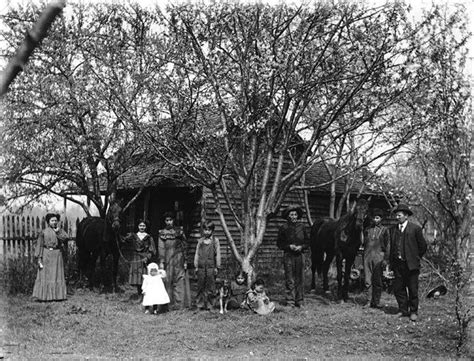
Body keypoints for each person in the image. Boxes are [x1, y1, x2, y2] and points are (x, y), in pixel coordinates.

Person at [388, 203, 427, 322]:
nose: (397, 217)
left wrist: (414, 257)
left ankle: (413, 311)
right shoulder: (393, 230)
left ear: (406, 216)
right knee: (398, 288)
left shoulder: (415, 229)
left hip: (411, 265)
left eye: (399, 215)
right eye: (396, 215)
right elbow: (392, 246)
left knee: (412, 289)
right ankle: (403, 310)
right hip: (397, 264)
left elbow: (423, 246)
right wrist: (391, 262)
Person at [277, 205, 309, 308]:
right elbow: (279, 244)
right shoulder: (283, 227)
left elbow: (308, 242)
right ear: (287, 216)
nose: (293, 216)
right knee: (289, 279)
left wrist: (301, 247)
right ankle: (290, 301)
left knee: (300, 278)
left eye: (295, 214)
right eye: (291, 214)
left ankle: (299, 301)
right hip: (288, 255)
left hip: (299, 255)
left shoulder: (302, 227)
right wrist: (288, 246)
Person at [32, 213, 68, 301]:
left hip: (57, 255)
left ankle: (58, 296)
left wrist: (58, 232)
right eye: (52, 221)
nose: (54, 222)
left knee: (56, 275)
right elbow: (39, 245)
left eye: (56, 221)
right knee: (46, 275)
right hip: (46, 254)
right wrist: (39, 258)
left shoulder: (60, 231)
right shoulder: (43, 232)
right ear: (48, 222)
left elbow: (66, 238)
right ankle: (44, 297)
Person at [158, 212, 188, 310]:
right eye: (167, 220)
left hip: (179, 257)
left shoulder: (179, 231)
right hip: (167, 258)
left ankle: (179, 305)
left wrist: (185, 260)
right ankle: (168, 304)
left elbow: (185, 246)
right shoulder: (162, 233)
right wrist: (162, 261)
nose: (169, 222)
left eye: (170, 220)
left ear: (173, 220)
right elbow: (161, 248)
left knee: (179, 279)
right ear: (164, 221)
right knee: (167, 280)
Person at [363, 208, 390, 308]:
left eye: (377, 218)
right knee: (367, 280)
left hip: (379, 257)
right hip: (367, 257)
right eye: (374, 218)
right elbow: (364, 243)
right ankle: (368, 301)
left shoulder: (385, 230)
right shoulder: (367, 230)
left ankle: (376, 302)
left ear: (381, 219)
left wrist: (386, 259)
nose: (375, 220)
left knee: (377, 280)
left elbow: (388, 246)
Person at [194, 221, 221, 310]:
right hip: (201, 267)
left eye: (209, 230)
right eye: (205, 230)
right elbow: (197, 253)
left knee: (211, 286)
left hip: (211, 267)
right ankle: (199, 304)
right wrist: (196, 266)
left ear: (212, 231)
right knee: (200, 286)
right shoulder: (200, 241)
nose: (207, 232)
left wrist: (217, 266)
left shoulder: (215, 241)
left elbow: (218, 254)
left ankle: (211, 305)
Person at [126, 219, 156, 298]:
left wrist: (147, 257)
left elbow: (152, 250)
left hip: (144, 258)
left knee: (143, 277)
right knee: (137, 277)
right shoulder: (134, 236)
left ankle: (144, 295)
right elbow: (124, 241)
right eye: (140, 226)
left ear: (146, 227)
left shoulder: (149, 237)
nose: (142, 227)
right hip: (136, 258)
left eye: (143, 226)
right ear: (138, 226)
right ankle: (139, 294)